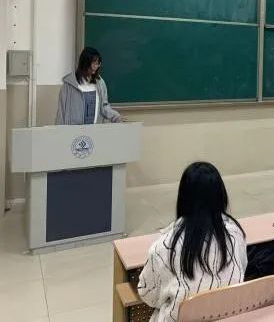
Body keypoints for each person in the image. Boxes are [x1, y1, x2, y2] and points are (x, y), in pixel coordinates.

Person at [137, 162, 247, 322]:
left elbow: (148, 295)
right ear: (221, 196)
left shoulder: (165, 246)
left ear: (183, 198)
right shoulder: (236, 235)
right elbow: (242, 268)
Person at [56, 47, 124, 125]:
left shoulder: (100, 83)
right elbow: (61, 112)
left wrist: (116, 117)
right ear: (85, 63)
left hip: (94, 130)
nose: (96, 66)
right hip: (74, 131)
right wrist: (59, 130)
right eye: (93, 63)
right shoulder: (69, 85)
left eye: (98, 63)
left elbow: (104, 107)